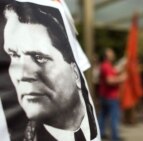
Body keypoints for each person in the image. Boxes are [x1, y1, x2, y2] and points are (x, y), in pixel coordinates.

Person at [1, 1, 98, 141]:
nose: (22, 75)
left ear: (75, 73)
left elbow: (80, 63)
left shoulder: (57, 3)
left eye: (39, 57)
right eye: (14, 55)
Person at [98, 48, 126, 141]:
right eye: (111, 53)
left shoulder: (106, 65)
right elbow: (109, 80)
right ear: (107, 55)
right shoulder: (106, 66)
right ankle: (115, 137)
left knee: (103, 116)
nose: (113, 54)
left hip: (105, 96)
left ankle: (100, 133)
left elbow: (113, 73)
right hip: (110, 96)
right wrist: (121, 78)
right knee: (114, 117)